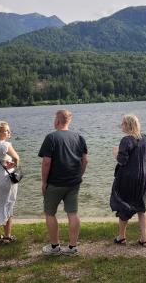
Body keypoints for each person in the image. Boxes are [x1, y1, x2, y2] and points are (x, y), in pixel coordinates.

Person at [38, 109, 88, 256]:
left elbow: (46, 162)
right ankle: (72, 247)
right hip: (73, 182)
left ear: (57, 121)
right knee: (73, 213)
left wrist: (44, 182)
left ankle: (55, 247)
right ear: (69, 121)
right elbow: (84, 160)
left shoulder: (51, 137)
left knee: (50, 213)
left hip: (55, 183)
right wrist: (79, 175)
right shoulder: (79, 137)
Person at [110, 114, 146, 247]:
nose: (121, 126)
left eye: (122, 124)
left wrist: (116, 153)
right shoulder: (144, 138)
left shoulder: (126, 140)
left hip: (129, 178)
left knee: (123, 204)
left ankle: (122, 237)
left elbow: (122, 161)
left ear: (128, 125)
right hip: (144, 177)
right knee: (141, 206)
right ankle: (144, 239)